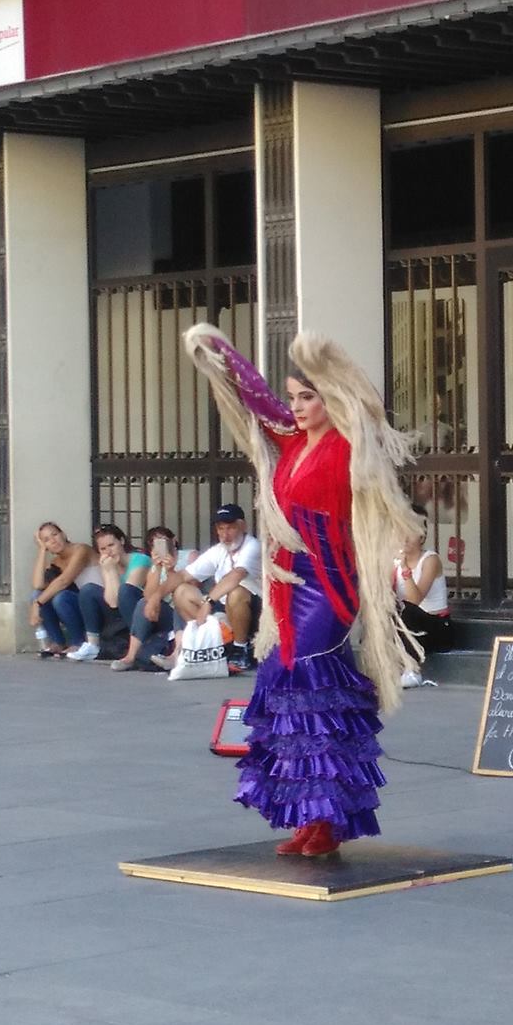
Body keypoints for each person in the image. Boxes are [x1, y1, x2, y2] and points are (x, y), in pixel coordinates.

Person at [186, 323, 421, 859]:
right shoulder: (289, 443)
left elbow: (365, 407)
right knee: (288, 693)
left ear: (328, 398)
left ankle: (330, 820)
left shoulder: (348, 443)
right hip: (288, 582)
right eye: (293, 397)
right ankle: (310, 817)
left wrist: (326, 362)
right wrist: (219, 349)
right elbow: (256, 398)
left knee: (314, 686)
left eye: (307, 396)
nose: (295, 406)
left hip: (331, 582)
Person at [186, 505, 263, 670]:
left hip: (256, 611)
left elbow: (236, 576)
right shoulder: (219, 550)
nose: (225, 534)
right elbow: (184, 575)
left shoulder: (252, 546)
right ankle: (208, 645)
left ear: (243, 526)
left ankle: (240, 649)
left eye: (230, 528)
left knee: (236, 593)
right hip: (224, 609)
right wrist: (155, 598)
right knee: (182, 592)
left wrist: (208, 602)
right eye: (220, 528)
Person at [113, 525, 193, 671]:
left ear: (173, 540)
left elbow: (192, 586)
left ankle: (175, 654)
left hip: (185, 610)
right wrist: (158, 569)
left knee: (179, 600)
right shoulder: (154, 566)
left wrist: (171, 570)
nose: (158, 546)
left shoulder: (189, 556)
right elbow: (148, 595)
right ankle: (130, 656)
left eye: (162, 541)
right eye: (153, 543)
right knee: (144, 602)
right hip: (163, 612)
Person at [67, 524, 151, 661]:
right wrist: (110, 571)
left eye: (111, 545)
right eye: (103, 549)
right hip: (119, 609)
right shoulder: (107, 564)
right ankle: (92, 645)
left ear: (122, 541)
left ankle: (136, 645)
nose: (108, 552)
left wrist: (111, 571)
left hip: (139, 609)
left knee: (125, 590)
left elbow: (126, 595)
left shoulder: (140, 560)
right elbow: (112, 601)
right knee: (88, 590)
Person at [394, 522, 455, 689]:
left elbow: (414, 600)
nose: (404, 538)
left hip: (437, 626)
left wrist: (405, 570)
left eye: (410, 533)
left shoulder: (430, 560)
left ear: (421, 536)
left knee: (408, 610)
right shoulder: (395, 561)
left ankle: (412, 670)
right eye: (401, 532)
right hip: (409, 627)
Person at [27, 522, 94, 656]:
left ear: (63, 535)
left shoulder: (81, 549)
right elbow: (38, 585)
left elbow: (64, 581)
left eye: (55, 535)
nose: (53, 541)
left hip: (96, 601)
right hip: (79, 602)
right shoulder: (56, 562)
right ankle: (57, 642)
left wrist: (37, 604)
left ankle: (77, 642)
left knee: (60, 598)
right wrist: (41, 551)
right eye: (46, 540)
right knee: (37, 594)